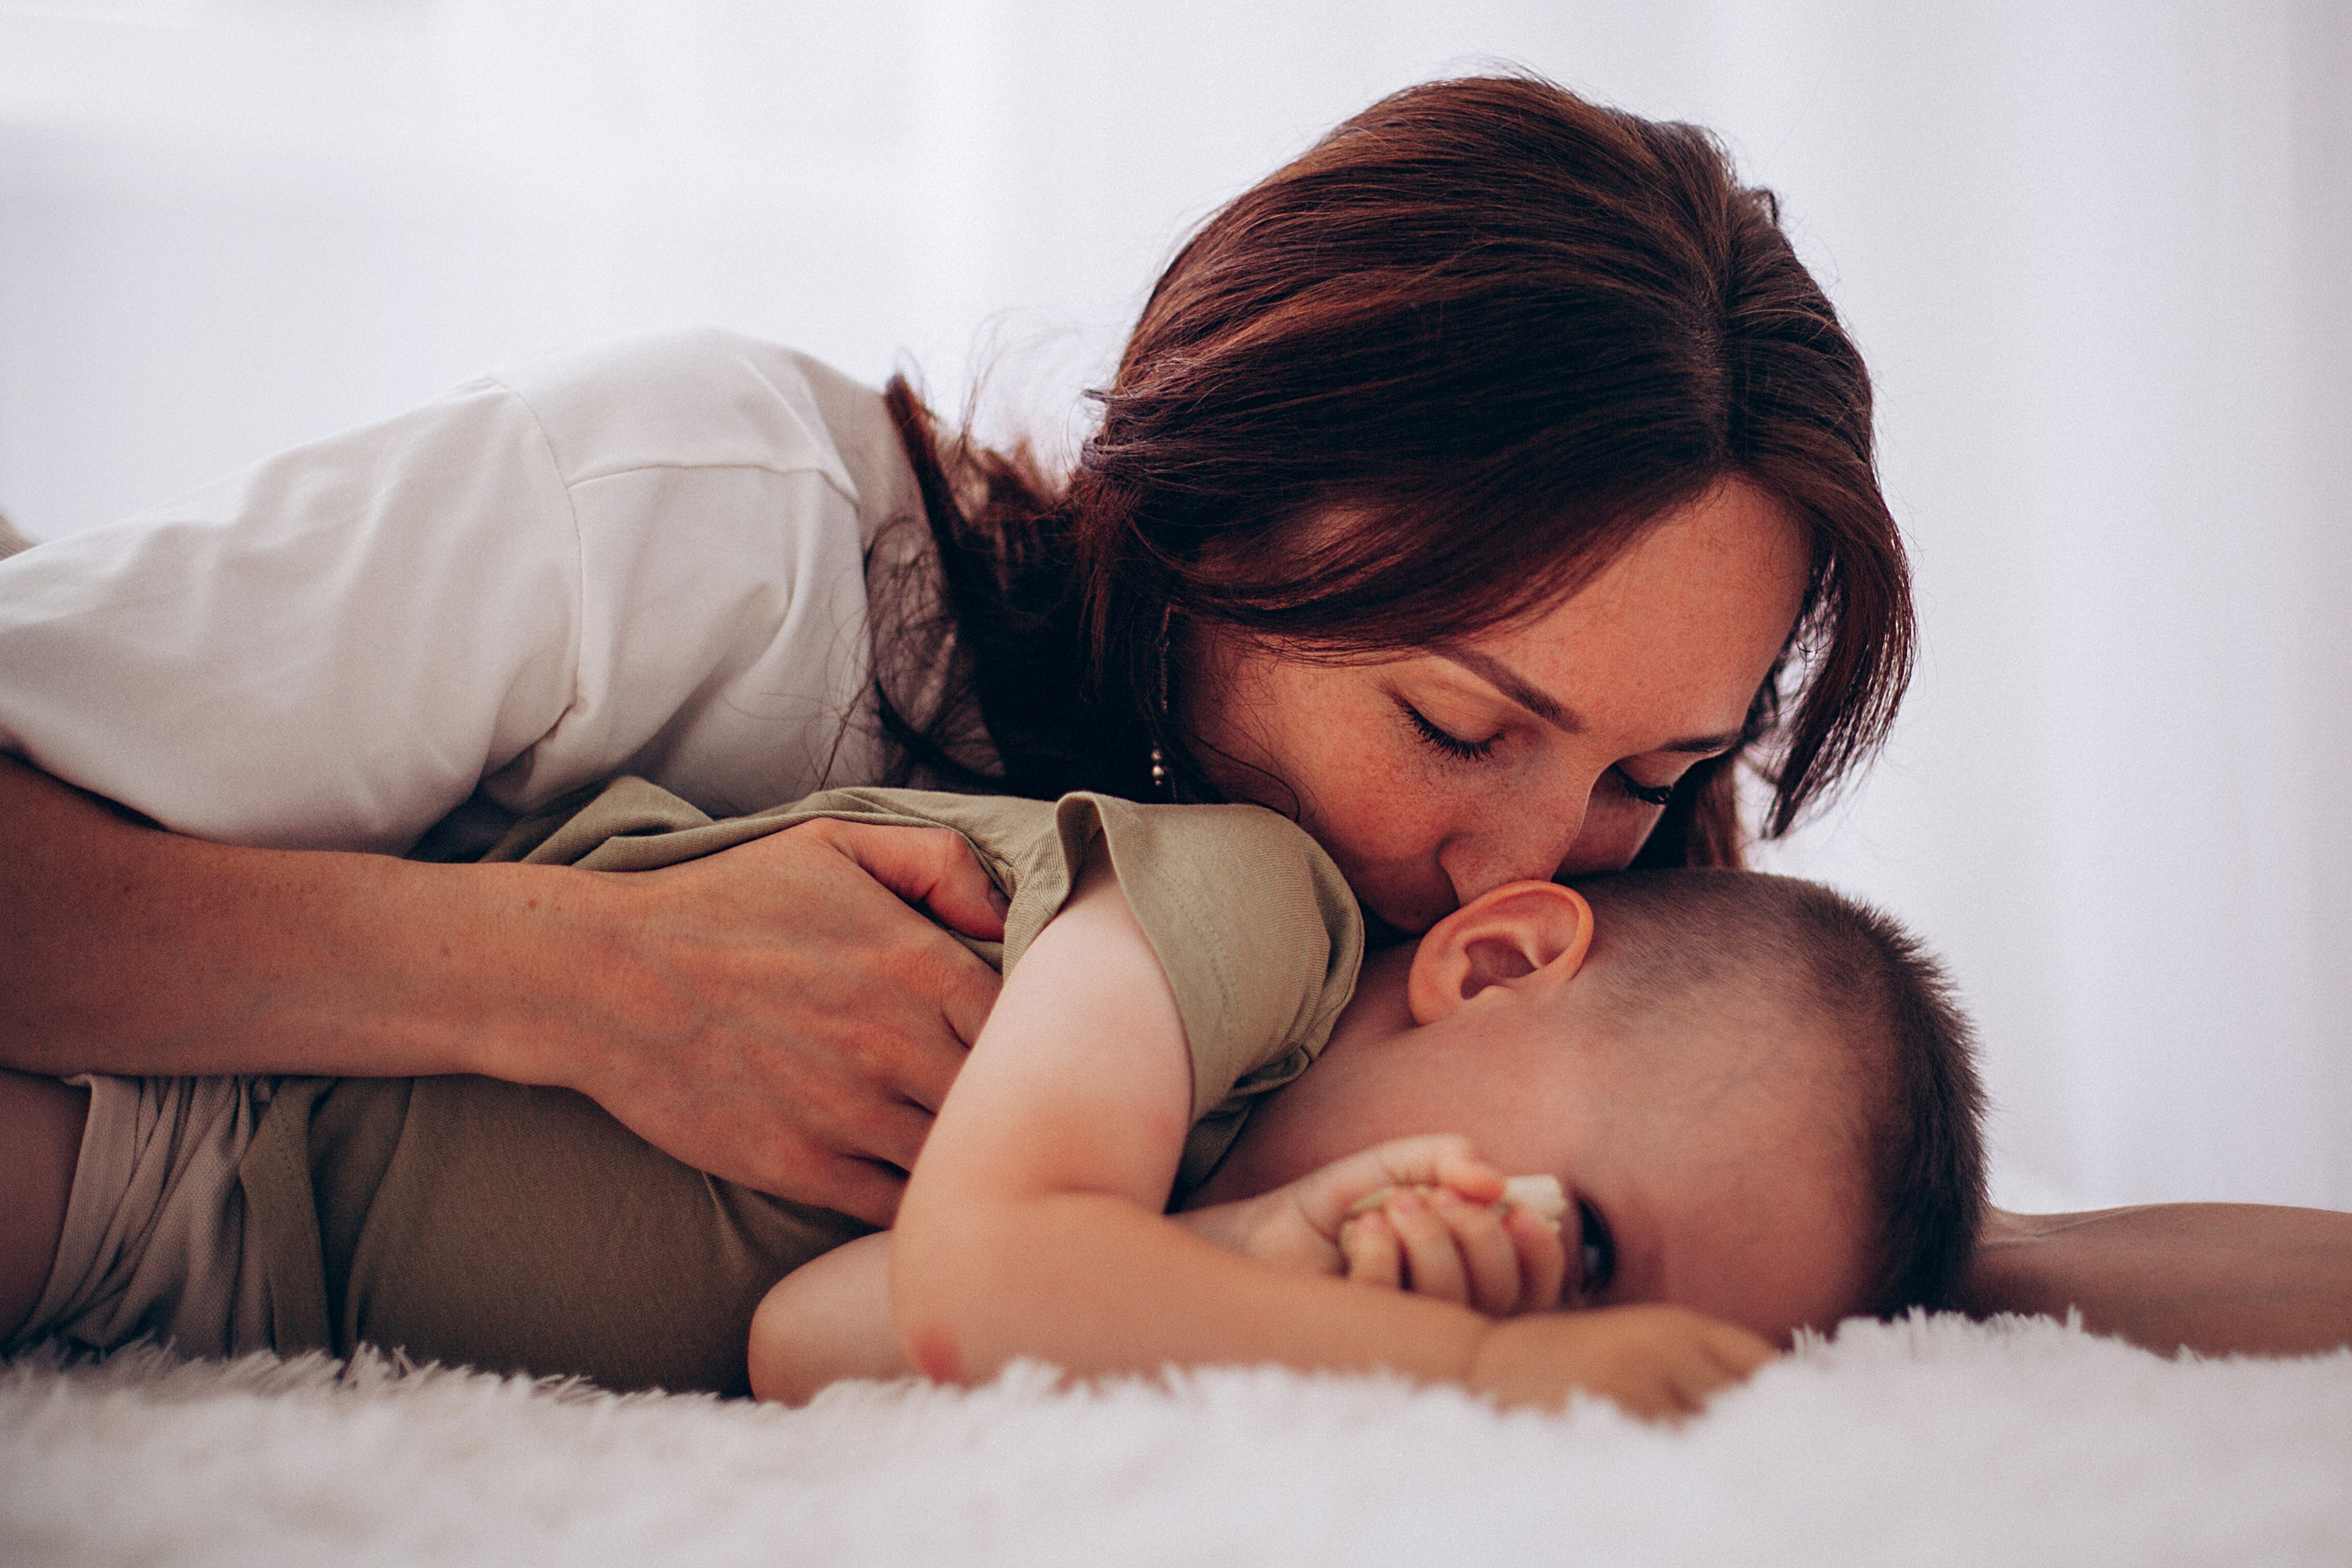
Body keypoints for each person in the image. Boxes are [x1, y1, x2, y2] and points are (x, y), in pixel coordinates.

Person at [0, 74, 2342, 1357]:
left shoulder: (1468, 998)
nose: (1535, 863)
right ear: (1217, 494)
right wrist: (571, 983)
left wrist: (1825, 1249)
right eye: (1456, 720)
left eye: (1653, 772)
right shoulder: (703, 515)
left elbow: (861, 1325)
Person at [0, 779, 1986, 1421]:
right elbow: (978, 1270)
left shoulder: (1187, 1239)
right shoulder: (1245, 914)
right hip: (220, 1078)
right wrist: (1494, 1371)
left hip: (219, 1246)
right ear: (1486, 964)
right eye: (1583, 1240)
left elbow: (811, 1335)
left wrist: (1235, 1261)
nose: (1502, 1283)